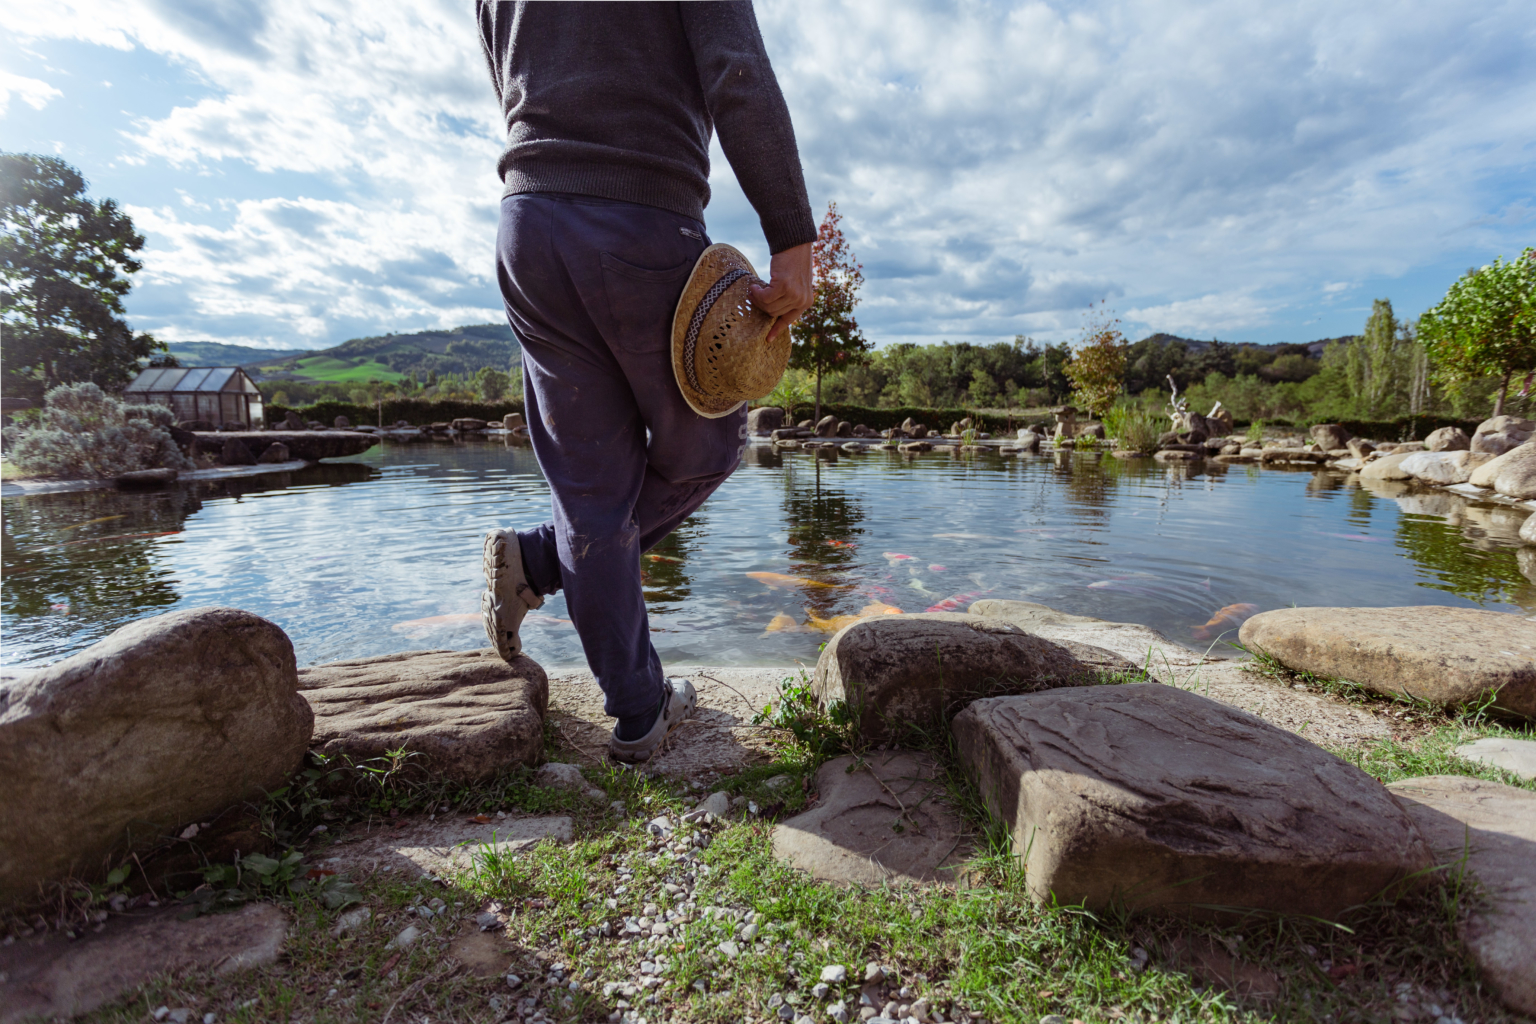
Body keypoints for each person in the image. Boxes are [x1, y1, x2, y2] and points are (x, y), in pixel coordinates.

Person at [475, 2, 815, 763]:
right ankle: (537, 562)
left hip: (528, 225)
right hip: (640, 219)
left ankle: (637, 712)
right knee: (708, 446)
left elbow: (509, 72)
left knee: (592, 495)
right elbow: (735, 69)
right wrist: (791, 231)